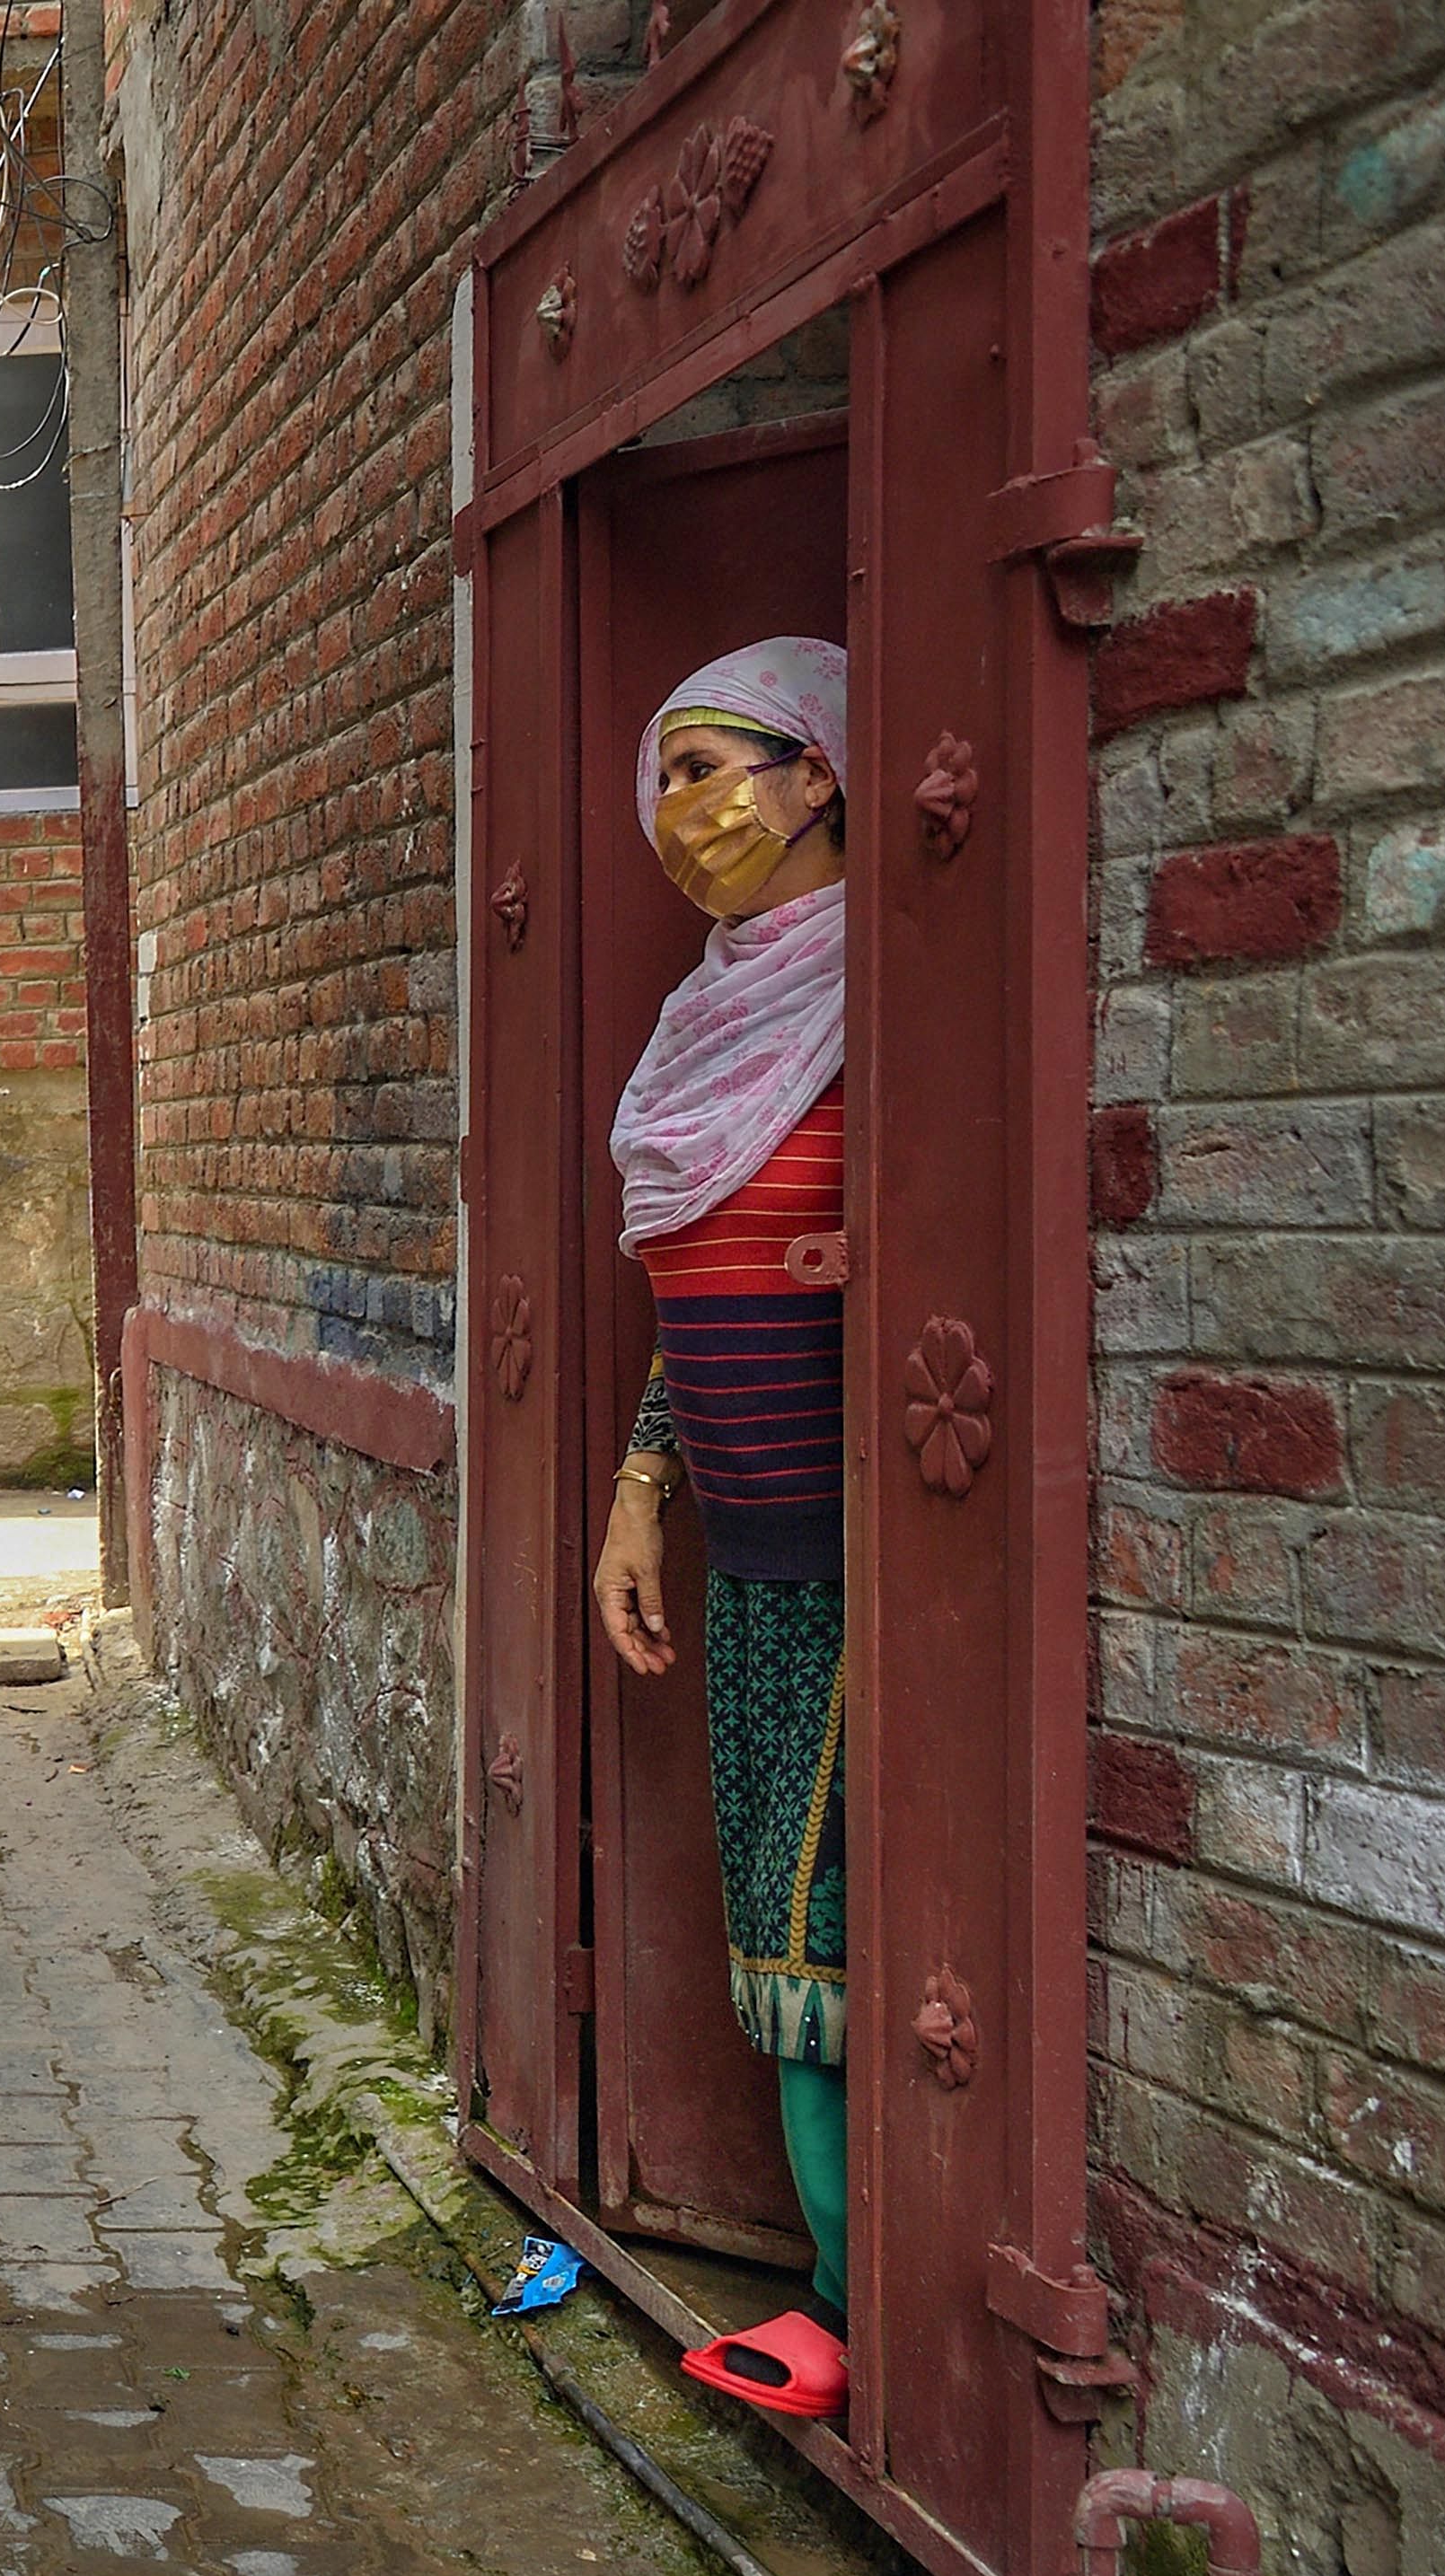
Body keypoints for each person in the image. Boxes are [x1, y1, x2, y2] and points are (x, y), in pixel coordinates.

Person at [586, 636, 854, 2425]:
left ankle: (860, 2298)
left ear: (819, 767)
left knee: (862, 1928)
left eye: (712, 767)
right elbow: (699, 1302)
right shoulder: (708, 1022)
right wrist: (636, 1494)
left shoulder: (889, 992)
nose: (680, 813)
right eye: (663, 782)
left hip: (891, 1552)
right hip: (750, 1545)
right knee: (781, 1927)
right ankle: (841, 2287)